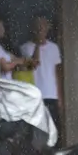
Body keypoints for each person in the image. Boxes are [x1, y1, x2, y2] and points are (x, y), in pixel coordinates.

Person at [20, 15, 64, 143]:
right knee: (35, 130)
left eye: (43, 26)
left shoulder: (54, 47)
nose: (41, 29)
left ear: (48, 27)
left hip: (51, 94)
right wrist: (38, 45)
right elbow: (34, 63)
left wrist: (60, 96)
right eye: (38, 26)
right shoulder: (25, 47)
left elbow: (57, 73)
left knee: (53, 129)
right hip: (34, 94)